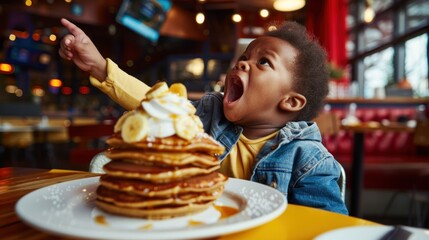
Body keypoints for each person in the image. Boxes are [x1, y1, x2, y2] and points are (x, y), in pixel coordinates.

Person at [59, 18, 349, 215]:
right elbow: (155, 103)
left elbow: (327, 225)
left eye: (263, 62)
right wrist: (98, 67)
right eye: (244, 57)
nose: (244, 64)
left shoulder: (309, 161)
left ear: (290, 101)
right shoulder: (209, 119)